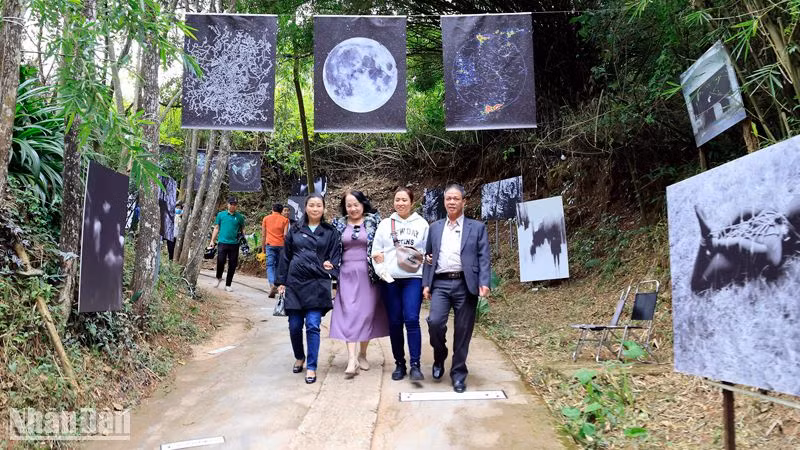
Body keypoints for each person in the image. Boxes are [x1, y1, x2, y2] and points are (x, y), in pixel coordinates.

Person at [422, 183, 490, 393]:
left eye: (455, 198)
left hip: (465, 283)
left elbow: (484, 257)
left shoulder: (477, 228)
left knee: (463, 331)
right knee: (434, 323)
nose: (451, 202)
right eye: (448, 199)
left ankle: (458, 373)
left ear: (464, 201)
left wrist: (484, 282)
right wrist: (426, 283)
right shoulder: (434, 228)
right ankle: (440, 356)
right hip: (440, 283)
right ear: (444, 202)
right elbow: (428, 258)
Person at [276, 194, 342, 384]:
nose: (315, 208)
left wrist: (332, 265)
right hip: (295, 282)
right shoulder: (295, 229)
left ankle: (312, 366)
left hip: (317, 282)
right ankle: (299, 356)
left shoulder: (330, 231)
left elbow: (335, 255)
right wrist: (281, 281)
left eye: (318, 205)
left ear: (324, 209)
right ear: (305, 208)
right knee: (294, 326)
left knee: (313, 325)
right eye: (311, 205)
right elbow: (285, 255)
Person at [372, 187, 430, 381]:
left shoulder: (422, 224)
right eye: (397, 200)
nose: (401, 203)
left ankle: (415, 364)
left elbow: (428, 251)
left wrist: (428, 280)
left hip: (413, 278)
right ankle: (399, 364)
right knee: (395, 322)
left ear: (411, 202)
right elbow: (376, 252)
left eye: (404, 200)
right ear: (393, 202)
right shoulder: (385, 224)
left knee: (412, 319)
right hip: (390, 280)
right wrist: (382, 272)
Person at [331, 191, 389, 378]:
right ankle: (351, 359)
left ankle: (363, 354)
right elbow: (331, 248)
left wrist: (383, 256)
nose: (353, 208)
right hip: (346, 274)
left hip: (369, 275)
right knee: (350, 314)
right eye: (349, 205)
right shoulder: (338, 224)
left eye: (356, 204)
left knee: (366, 314)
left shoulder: (374, 222)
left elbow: (385, 245)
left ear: (363, 204)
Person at [209, 197, 245, 292]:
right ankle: (218, 277)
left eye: (235, 204)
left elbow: (242, 229)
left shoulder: (239, 217)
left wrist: (243, 240)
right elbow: (216, 228)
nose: (233, 206)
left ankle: (228, 284)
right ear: (227, 204)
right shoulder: (221, 215)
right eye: (231, 204)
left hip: (234, 243)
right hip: (222, 242)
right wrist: (212, 240)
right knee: (220, 261)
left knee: (232, 264)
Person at [262, 203, 290, 297]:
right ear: (281, 211)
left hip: (270, 245)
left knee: (270, 265)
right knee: (278, 265)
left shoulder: (266, 218)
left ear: (272, 209)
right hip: (281, 245)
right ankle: (276, 284)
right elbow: (285, 235)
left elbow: (263, 235)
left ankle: (272, 284)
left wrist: (263, 248)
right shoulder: (285, 220)